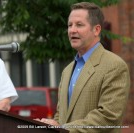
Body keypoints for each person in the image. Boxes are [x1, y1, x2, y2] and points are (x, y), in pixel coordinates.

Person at [36, 2, 130, 133]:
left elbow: (108, 117)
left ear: (96, 30)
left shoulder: (114, 66)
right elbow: (62, 114)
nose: (72, 30)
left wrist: (63, 128)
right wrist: (52, 124)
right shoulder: (67, 71)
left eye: (79, 25)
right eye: (70, 25)